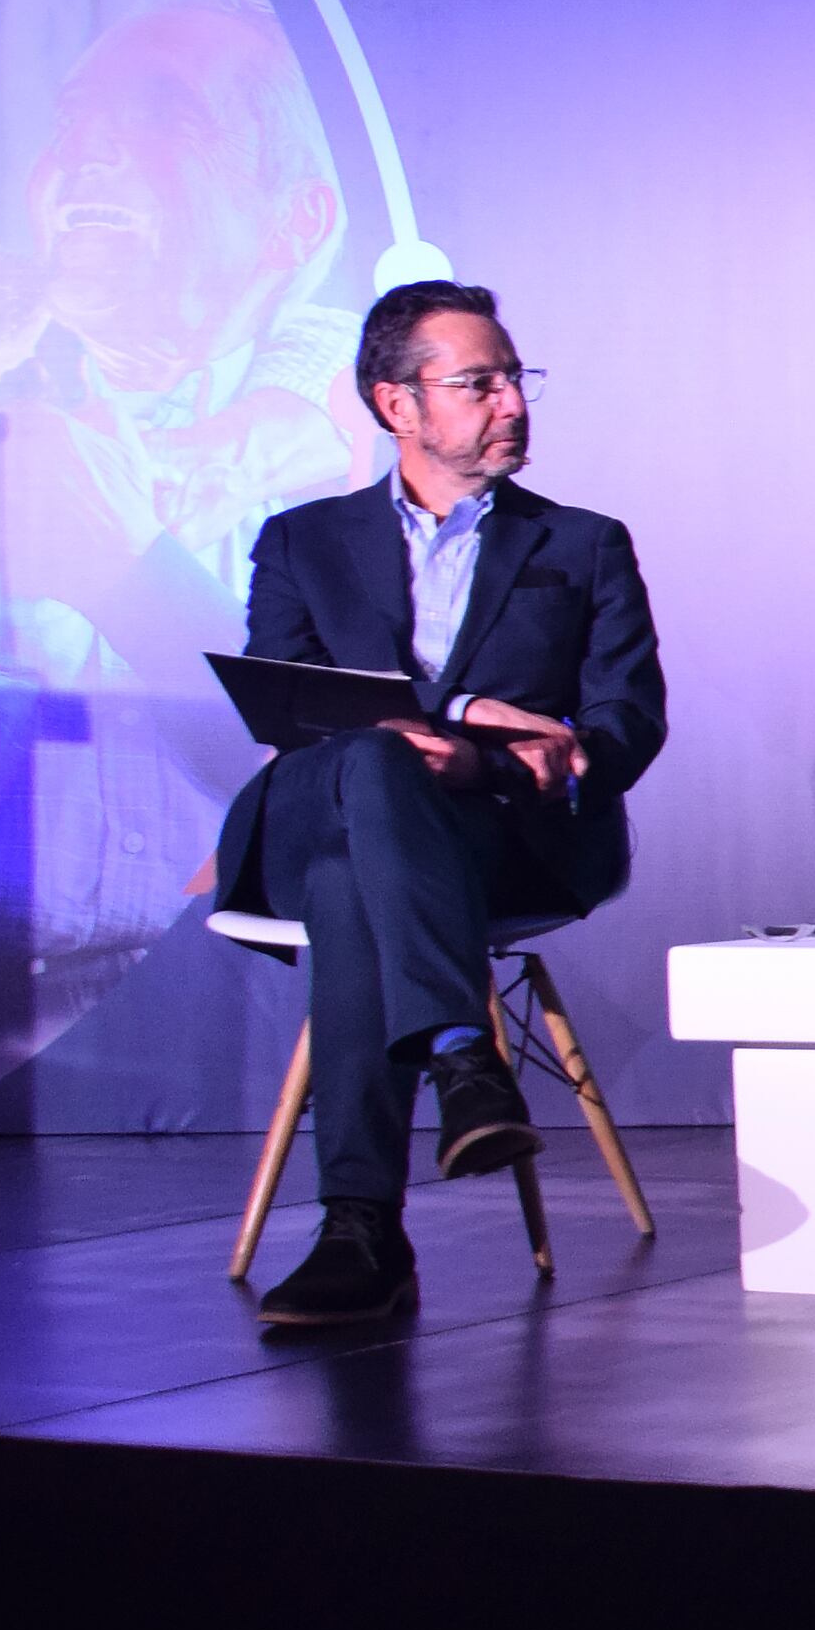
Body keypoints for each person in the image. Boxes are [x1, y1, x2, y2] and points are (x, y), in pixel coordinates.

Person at [216, 282, 667, 1328]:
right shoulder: (302, 541)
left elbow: (626, 725)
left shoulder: (582, 545)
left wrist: (488, 768)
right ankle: (463, 1056)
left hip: (500, 837)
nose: (513, 403)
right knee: (368, 767)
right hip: (318, 810)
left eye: (517, 379)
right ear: (395, 405)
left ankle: (360, 1230)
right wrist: (459, 708)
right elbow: (292, 702)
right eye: (480, 383)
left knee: (350, 888)